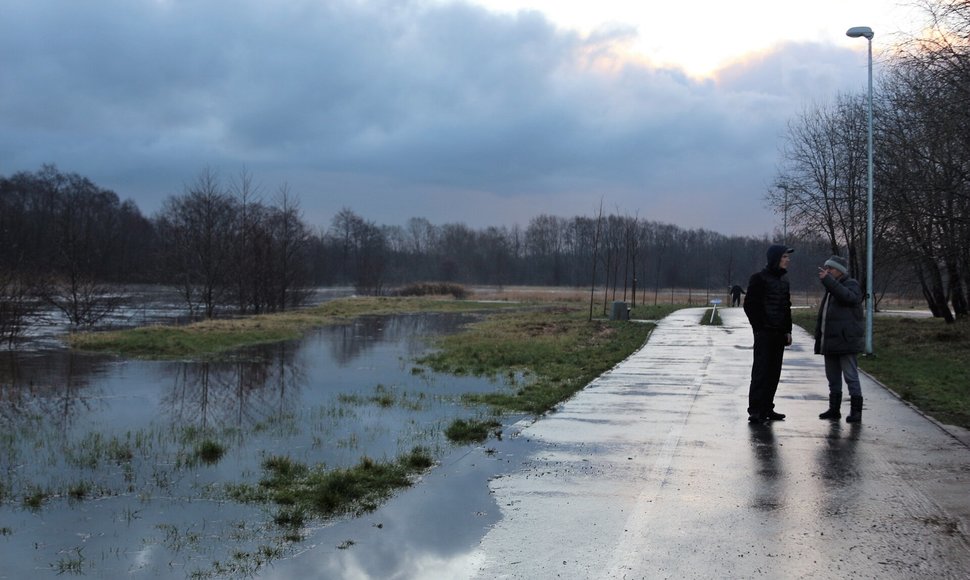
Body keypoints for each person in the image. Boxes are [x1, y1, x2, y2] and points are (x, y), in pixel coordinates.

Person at [743, 244, 794, 423]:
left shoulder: (784, 281)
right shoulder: (759, 278)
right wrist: (759, 328)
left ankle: (767, 407)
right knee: (761, 372)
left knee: (774, 372)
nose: (788, 260)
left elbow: (786, 308)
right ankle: (755, 410)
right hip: (764, 333)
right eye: (785, 257)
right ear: (776, 258)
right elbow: (750, 305)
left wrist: (788, 330)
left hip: (779, 334)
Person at [814, 255, 865, 423]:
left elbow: (849, 298)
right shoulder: (832, 288)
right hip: (831, 341)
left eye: (831, 269)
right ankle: (834, 409)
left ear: (839, 271)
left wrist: (829, 282)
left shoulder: (851, 285)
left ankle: (856, 411)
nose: (827, 271)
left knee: (850, 376)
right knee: (832, 377)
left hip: (846, 341)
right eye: (826, 268)